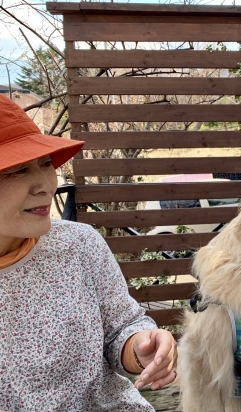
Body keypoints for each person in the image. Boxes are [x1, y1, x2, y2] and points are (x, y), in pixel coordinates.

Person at [0, 94, 177, 411]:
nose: (45, 185)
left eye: (45, 163)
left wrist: (141, 347)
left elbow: (120, 328)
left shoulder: (78, 244)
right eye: (17, 170)